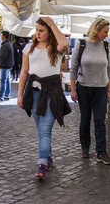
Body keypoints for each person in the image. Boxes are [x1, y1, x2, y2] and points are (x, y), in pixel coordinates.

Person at [17, 17, 71, 181]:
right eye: (37, 30)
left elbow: (65, 44)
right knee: (41, 129)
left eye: (42, 30)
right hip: (33, 93)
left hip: (52, 92)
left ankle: (41, 164)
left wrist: (53, 24)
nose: (38, 33)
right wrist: (19, 94)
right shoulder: (29, 48)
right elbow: (24, 72)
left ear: (49, 32)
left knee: (45, 129)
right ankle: (48, 158)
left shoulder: (56, 48)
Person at [70, 17, 110, 165]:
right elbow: (73, 67)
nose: (107, 34)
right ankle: (85, 147)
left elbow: (109, 68)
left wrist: (109, 89)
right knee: (85, 119)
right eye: (105, 31)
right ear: (97, 30)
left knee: (100, 121)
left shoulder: (106, 46)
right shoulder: (81, 44)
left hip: (101, 88)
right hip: (84, 87)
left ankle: (101, 152)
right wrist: (73, 89)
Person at [0, 31, 14, 102]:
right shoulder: (9, 44)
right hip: (9, 65)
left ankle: (1, 97)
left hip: (5, 66)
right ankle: (7, 95)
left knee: (3, 81)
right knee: (7, 80)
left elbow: (2, 56)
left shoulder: (5, 45)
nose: (1, 36)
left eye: (1, 35)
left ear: (4, 36)